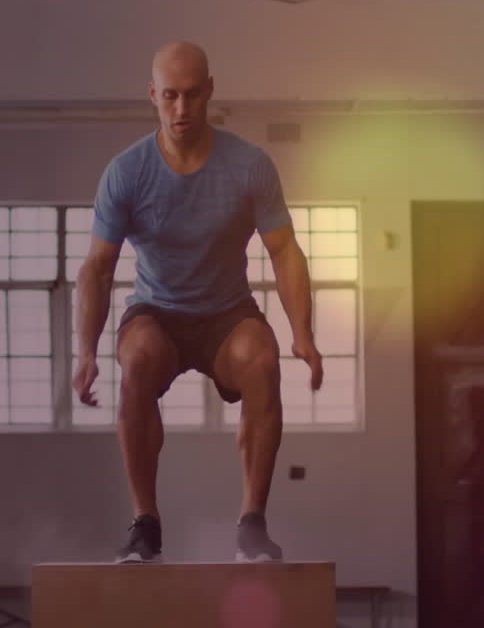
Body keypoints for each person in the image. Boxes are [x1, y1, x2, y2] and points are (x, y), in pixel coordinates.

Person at [71, 41, 323, 564]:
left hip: (226, 315)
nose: (181, 110)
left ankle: (252, 523)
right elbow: (96, 267)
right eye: (169, 97)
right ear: (152, 96)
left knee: (262, 358)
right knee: (136, 360)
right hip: (156, 315)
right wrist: (87, 351)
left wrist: (304, 333)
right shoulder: (127, 172)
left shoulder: (249, 165)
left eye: (191, 96)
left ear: (210, 90)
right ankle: (145, 525)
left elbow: (285, 250)